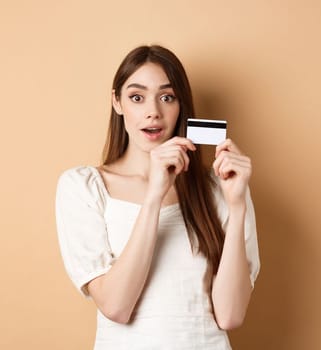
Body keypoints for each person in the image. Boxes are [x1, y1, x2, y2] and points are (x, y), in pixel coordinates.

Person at [55, 45, 260, 349]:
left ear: (181, 106)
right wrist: (154, 196)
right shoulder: (84, 186)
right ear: (117, 102)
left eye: (167, 97)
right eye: (137, 97)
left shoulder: (219, 187)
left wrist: (238, 204)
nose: (153, 111)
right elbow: (116, 306)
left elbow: (229, 316)